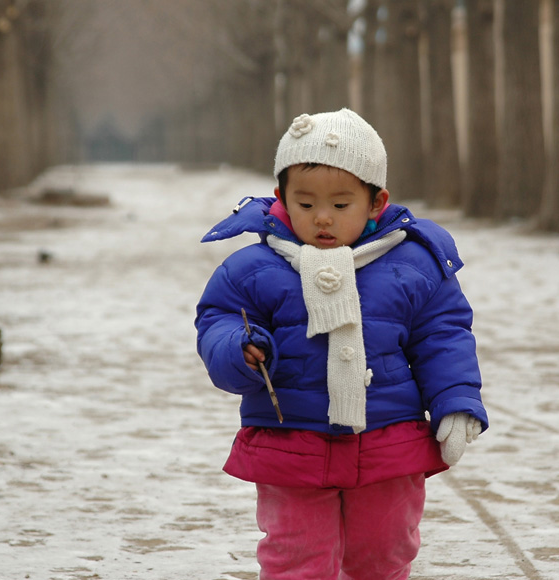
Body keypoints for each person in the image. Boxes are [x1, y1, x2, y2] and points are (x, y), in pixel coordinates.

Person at [195, 108, 488, 580]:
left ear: (376, 203)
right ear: (281, 198)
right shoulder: (254, 268)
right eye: (305, 205)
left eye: (341, 204)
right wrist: (239, 347)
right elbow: (218, 321)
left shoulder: (412, 265)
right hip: (292, 442)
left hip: (388, 440)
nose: (323, 219)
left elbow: (443, 334)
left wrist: (457, 400)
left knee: (383, 554)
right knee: (296, 558)